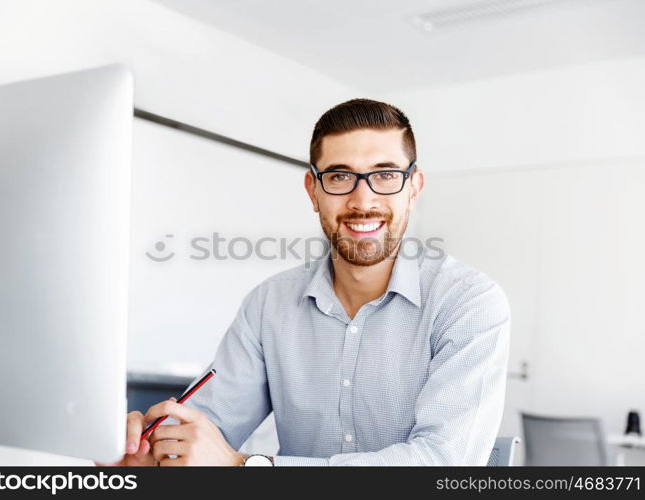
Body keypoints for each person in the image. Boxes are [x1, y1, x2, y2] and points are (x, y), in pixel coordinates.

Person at [98, 98, 511, 467]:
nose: (362, 201)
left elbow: (440, 462)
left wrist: (248, 468)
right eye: (339, 176)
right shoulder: (268, 305)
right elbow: (211, 426)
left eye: (385, 175)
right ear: (313, 190)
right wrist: (153, 447)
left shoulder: (469, 303)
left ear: (414, 187)